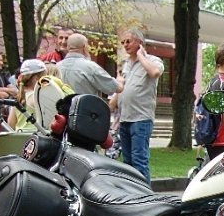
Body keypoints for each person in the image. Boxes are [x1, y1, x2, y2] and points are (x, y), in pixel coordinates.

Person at [112, 28, 163, 184]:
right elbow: (121, 88)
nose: (125, 45)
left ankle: (144, 194)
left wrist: (141, 56)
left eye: (128, 41)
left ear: (139, 42)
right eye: (123, 42)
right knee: (127, 162)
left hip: (141, 119)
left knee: (139, 160)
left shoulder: (152, 60)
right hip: (124, 119)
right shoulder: (125, 64)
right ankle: (131, 193)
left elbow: (155, 73)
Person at [57, 33, 122, 97]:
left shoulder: (57, 67)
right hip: (84, 104)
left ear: (68, 47)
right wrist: (120, 80)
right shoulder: (91, 67)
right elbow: (116, 88)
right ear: (85, 47)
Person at [7, 58, 47, 132]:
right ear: (36, 78)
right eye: (45, 77)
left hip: (20, 135)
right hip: (36, 136)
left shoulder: (20, 97)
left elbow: (11, 123)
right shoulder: (36, 96)